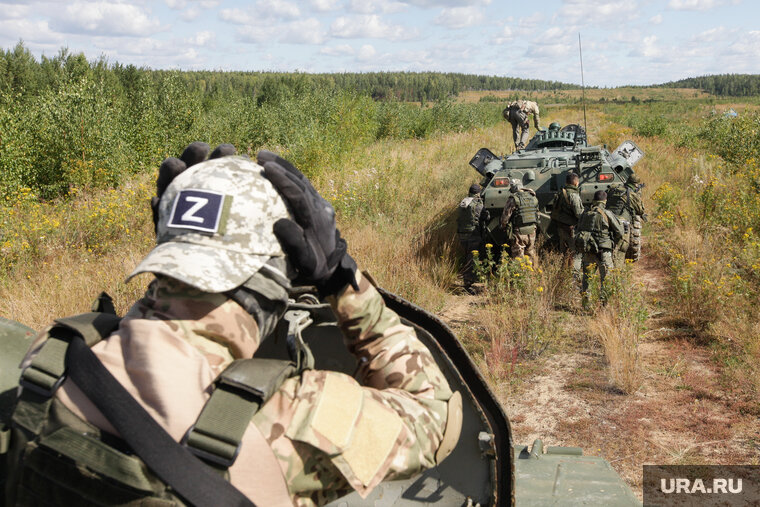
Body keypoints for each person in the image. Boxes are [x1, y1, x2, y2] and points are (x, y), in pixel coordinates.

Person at [5, 146, 459, 506]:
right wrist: (341, 280)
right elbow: (436, 416)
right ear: (270, 287)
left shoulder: (52, 360)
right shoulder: (293, 414)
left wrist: (184, 241)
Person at [575, 190, 624, 304]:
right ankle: (604, 305)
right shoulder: (606, 213)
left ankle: (586, 304)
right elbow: (620, 231)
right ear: (605, 201)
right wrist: (613, 242)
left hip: (588, 251)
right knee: (606, 278)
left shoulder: (584, 213)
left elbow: (578, 230)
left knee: (587, 278)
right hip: (603, 252)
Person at [550, 172, 584, 278]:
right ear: (576, 183)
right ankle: (573, 277)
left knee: (564, 252)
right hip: (571, 229)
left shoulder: (561, 193)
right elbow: (579, 213)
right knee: (574, 253)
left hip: (561, 227)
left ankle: (563, 275)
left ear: (566, 182)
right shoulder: (573, 195)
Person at [606, 173, 645, 265]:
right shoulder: (631, 194)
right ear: (636, 184)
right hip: (622, 224)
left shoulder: (613, 189)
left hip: (608, 221)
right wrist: (638, 195)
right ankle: (617, 273)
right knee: (621, 250)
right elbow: (640, 211)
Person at [499, 179, 539, 268]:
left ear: (513, 187)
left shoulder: (514, 199)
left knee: (518, 257)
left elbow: (505, 217)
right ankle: (531, 276)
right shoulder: (533, 197)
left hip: (519, 233)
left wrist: (503, 226)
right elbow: (537, 215)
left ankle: (520, 278)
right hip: (532, 231)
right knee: (530, 254)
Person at [457, 183, 484, 294]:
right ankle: (467, 285)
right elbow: (483, 216)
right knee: (471, 259)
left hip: (462, 234)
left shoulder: (463, 202)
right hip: (473, 234)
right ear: (477, 193)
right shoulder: (477, 204)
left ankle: (471, 280)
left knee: (467, 256)